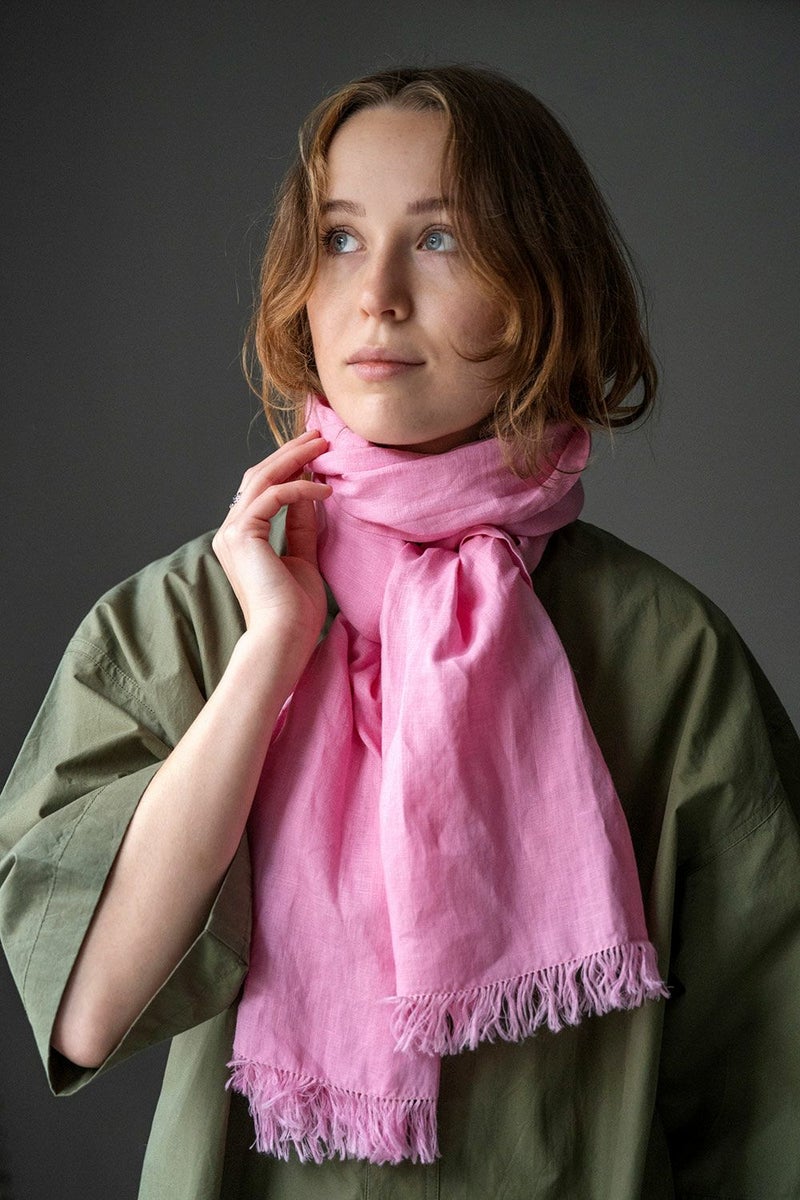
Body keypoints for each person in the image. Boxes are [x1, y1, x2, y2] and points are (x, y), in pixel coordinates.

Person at [1, 65, 799, 1200]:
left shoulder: (666, 654)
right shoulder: (176, 622)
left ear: (542, 285)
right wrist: (267, 654)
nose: (375, 294)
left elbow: (766, 1094)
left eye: (439, 240)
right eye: (338, 239)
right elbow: (85, 1013)